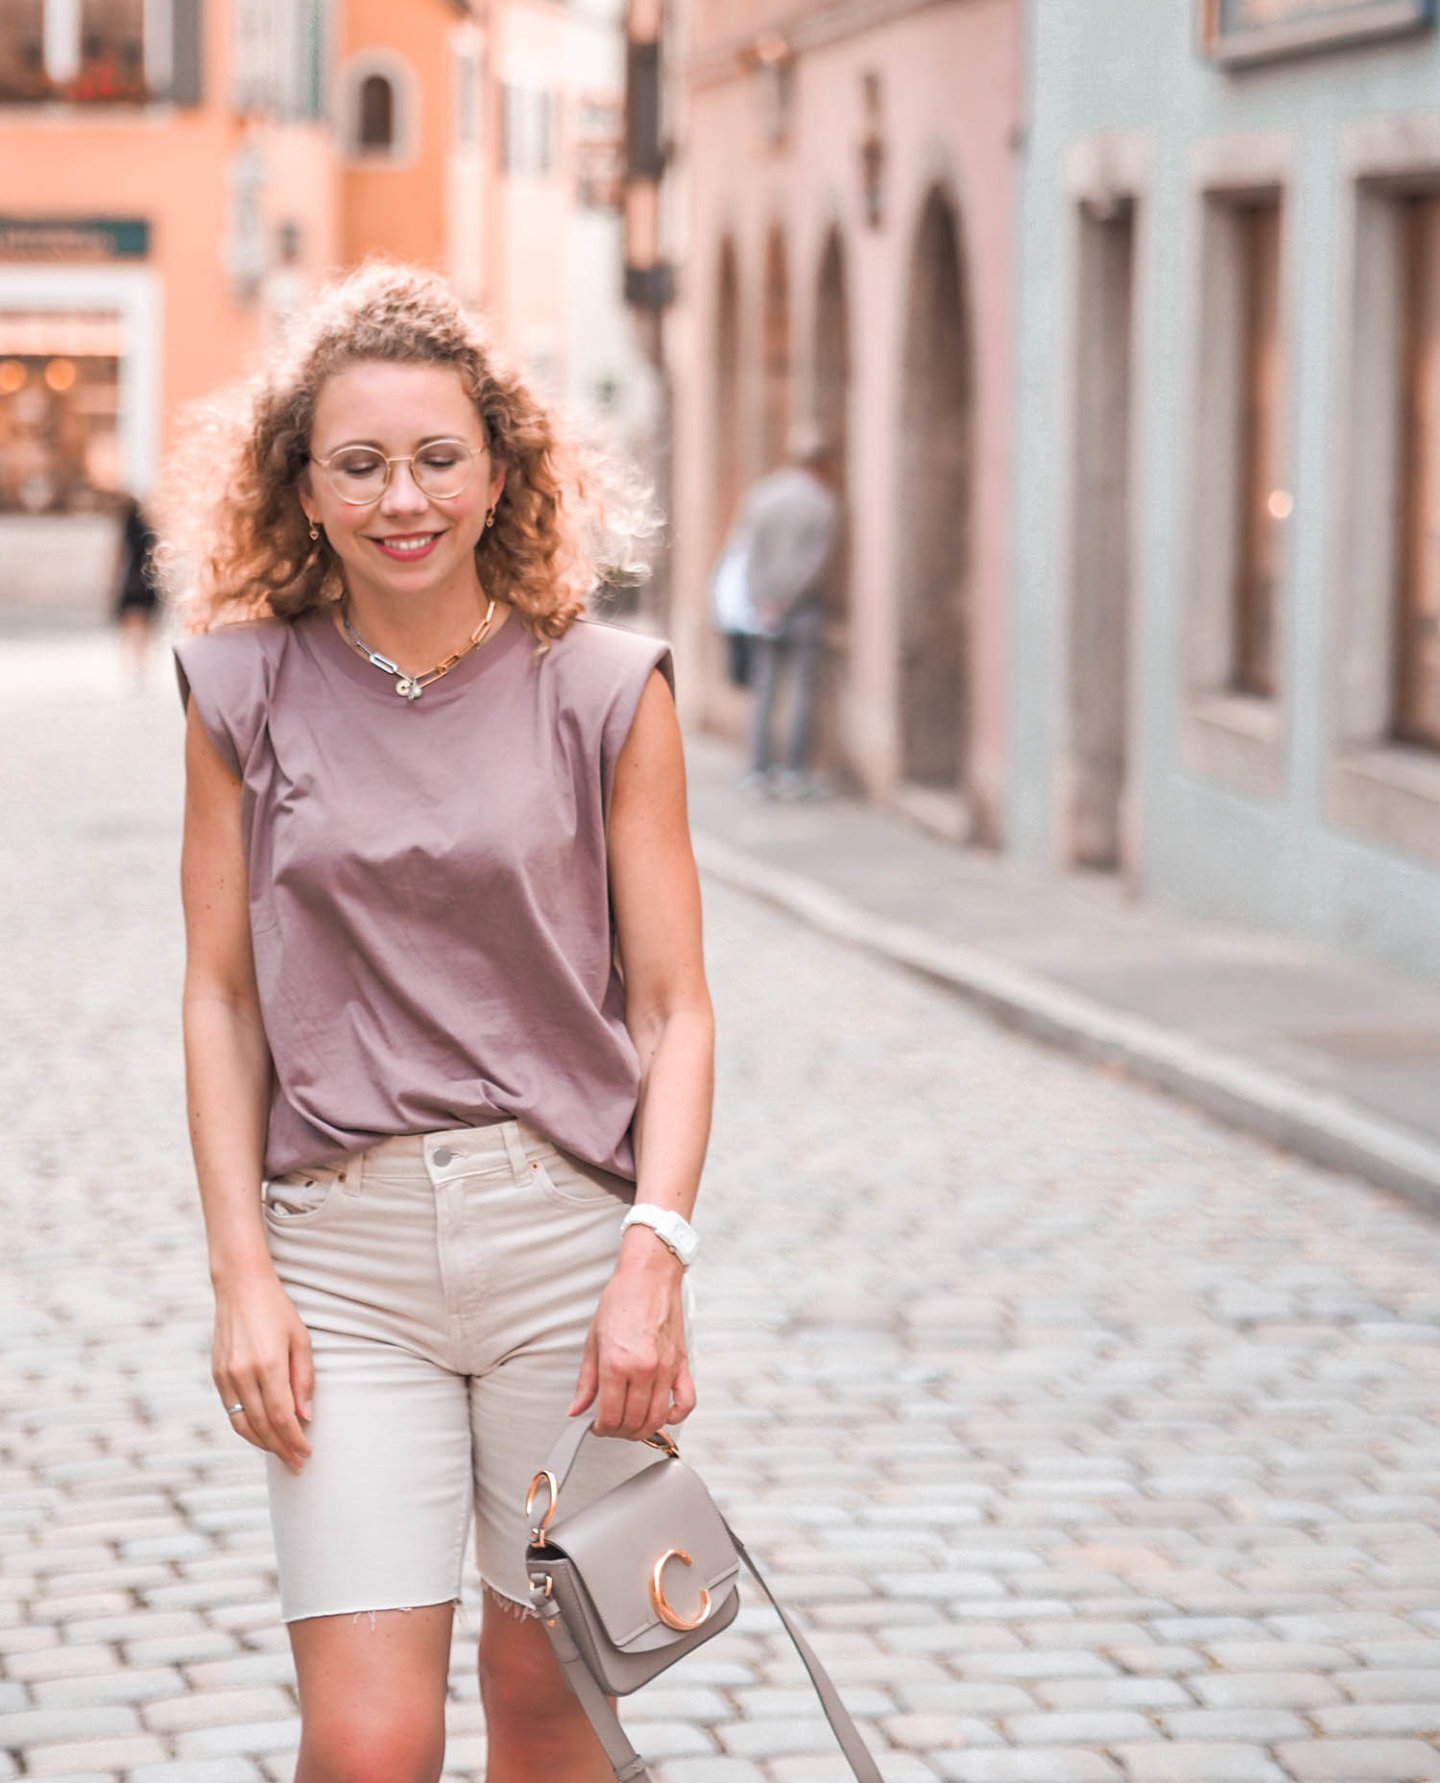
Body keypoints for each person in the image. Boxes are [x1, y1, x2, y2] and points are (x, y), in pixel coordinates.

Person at [163, 263, 714, 1783]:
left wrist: (653, 1256)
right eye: (359, 462)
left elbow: (674, 1009)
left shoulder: (606, 690)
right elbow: (217, 995)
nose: (401, 495)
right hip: (345, 1267)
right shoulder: (240, 693)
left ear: (499, 471)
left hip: (568, 1259)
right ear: (305, 487)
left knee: (550, 1714)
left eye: (435, 456)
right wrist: (243, 1277)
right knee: (364, 1739)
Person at [739, 422, 840, 798]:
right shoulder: (822, 501)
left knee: (764, 689)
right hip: (801, 609)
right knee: (801, 692)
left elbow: (749, 553)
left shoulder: (764, 495)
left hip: (765, 606)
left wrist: (762, 601)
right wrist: (786, 601)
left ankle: (758, 771)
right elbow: (816, 563)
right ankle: (793, 772)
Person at [112, 490, 160, 689]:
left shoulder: (125, 531)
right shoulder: (149, 530)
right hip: (148, 580)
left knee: (128, 628)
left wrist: (112, 583)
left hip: (131, 580)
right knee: (145, 629)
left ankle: (129, 666)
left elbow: (118, 557)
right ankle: (141, 667)